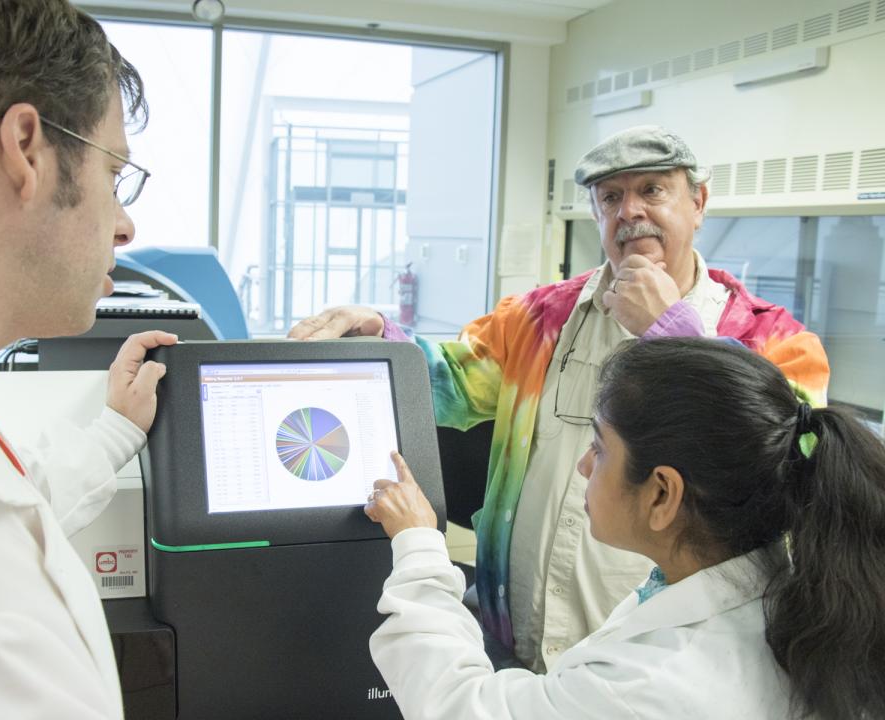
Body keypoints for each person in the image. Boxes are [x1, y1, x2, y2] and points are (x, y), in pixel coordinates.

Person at [289, 125, 830, 670]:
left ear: (698, 202)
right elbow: (453, 383)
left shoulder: (777, 342)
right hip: (514, 635)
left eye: (652, 190)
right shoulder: (540, 318)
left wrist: (673, 330)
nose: (630, 212)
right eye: (611, 197)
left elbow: (785, 468)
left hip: (662, 659)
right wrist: (383, 334)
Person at [364, 337, 885, 720]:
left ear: (662, 494)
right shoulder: (790, 596)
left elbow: (460, 707)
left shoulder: (646, 687)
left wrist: (419, 547)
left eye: (599, 445)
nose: (584, 466)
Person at [0, 2, 173, 717]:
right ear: (27, 149)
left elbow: (9, 497)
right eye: (115, 175)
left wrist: (118, 431)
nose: (124, 224)